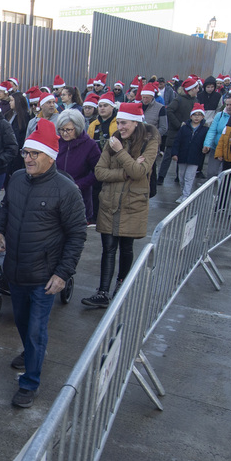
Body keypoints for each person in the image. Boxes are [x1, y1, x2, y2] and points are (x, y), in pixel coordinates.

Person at [0, 119, 87, 408]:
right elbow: (5, 209)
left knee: (35, 329)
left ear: (50, 156)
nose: (28, 159)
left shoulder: (66, 191)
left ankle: (30, 382)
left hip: (45, 276)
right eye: (26, 153)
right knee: (22, 323)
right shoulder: (18, 179)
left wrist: (63, 273)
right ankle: (32, 353)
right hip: (16, 271)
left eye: (35, 154)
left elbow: (77, 235)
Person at [81, 103, 154, 310]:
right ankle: (103, 292)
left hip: (133, 205)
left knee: (126, 248)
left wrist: (121, 152)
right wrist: (126, 172)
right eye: (119, 122)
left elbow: (140, 173)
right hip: (109, 203)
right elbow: (100, 172)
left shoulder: (148, 143)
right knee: (108, 248)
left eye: (124, 123)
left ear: (136, 122)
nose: (120, 127)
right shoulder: (112, 142)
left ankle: (121, 286)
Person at [54, 108, 101, 225]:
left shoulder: (90, 145)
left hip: (79, 197)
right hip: (56, 195)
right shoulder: (56, 142)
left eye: (69, 130)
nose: (64, 133)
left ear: (78, 127)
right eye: (61, 129)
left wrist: (79, 185)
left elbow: (99, 172)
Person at [159, 76, 200, 185]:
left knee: (182, 155)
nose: (198, 90)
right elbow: (170, 111)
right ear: (191, 89)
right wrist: (178, 124)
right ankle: (161, 177)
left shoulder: (195, 100)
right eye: (196, 88)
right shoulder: (179, 99)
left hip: (187, 133)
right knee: (168, 155)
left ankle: (178, 177)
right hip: (175, 132)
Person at [171, 104, 208, 202]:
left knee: (189, 177)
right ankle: (183, 193)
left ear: (203, 117)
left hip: (195, 157)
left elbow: (206, 142)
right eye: (195, 115)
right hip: (182, 156)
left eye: (199, 115)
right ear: (191, 116)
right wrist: (174, 153)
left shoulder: (205, 129)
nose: (197, 117)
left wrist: (205, 149)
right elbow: (177, 141)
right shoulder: (184, 128)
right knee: (181, 177)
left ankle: (186, 195)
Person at [202, 95, 231, 179]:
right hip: (216, 147)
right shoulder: (219, 115)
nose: (228, 107)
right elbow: (212, 130)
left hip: (229, 148)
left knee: (225, 174)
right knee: (211, 172)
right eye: (227, 104)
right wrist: (207, 144)